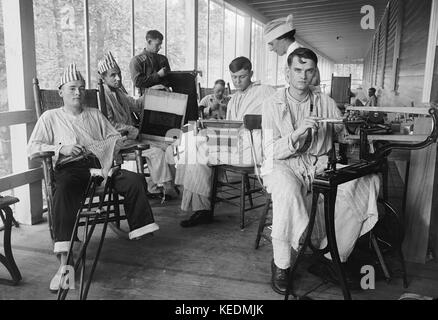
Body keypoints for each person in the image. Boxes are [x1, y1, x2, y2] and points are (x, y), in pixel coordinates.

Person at [27, 64, 159, 291]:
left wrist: (105, 145)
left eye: (81, 88)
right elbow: (33, 148)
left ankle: (139, 230)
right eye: (72, 88)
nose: (78, 92)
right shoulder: (50, 117)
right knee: (64, 190)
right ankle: (64, 266)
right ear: (61, 92)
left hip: (100, 167)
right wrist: (63, 148)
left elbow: (115, 137)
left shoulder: (95, 115)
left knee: (135, 180)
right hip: (71, 170)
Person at [261, 48, 380, 294]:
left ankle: (330, 255)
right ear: (287, 72)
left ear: (315, 73)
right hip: (284, 165)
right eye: (297, 70)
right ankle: (283, 263)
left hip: (319, 165)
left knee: (367, 180)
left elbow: (341, 135)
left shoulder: (325, 102)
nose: (303, 76)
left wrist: (351, 127)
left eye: (309, 71)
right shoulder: (271, 104)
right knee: (286, 190)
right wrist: (297, 133)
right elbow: (270, 151)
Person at [176, 57, 276, 227]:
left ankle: (203, 208)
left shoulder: (264, 91)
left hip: (253, 148)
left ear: (251, 73)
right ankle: (202, 204)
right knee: (191, 140)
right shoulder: (234, 99)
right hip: (235, 144)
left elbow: (281, 108)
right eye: (234, 77)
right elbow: (229, 128)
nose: (237, 81)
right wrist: (208, 127)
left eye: (242, 77)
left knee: (197, 151)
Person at [98, 51, 174, 197]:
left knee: (166, 144)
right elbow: (109, 125)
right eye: (113, 75)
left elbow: (136, 105)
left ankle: (157, 186)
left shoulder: (118, 92)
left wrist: (151, 91)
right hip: (118, 141)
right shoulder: (102, 96)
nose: (118, 78)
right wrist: (134, 131)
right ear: (103, 77)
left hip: (131, 138)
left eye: (119, 74)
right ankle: (165, 187)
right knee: (157, 151)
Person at [264, 14, 320, 89]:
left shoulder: (300, 57)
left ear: (282, 39)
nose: (270, 49)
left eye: (271, 44)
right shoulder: (294, 54)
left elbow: (310, 85)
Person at [130, 30, 171, 96]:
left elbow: (170, 79)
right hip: (146, 98)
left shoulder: (163, 59)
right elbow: (138, 82)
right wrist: (158, 75)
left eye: (160, 44)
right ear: (149, 42)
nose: (160, 47)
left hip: (165, 96)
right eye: (157, 44)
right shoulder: (137, 60)